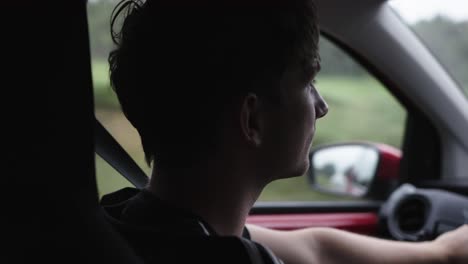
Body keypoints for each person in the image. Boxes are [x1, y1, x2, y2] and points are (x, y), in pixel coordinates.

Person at [102, 0, 468, 263]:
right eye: (308, 84)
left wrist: (443, 253)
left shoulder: (124, 218)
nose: (321, 107)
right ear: (253, 120)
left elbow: (315, 249)